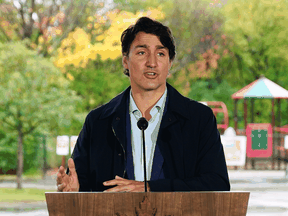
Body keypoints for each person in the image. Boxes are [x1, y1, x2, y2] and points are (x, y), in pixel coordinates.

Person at [56, 16, 230, 192]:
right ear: (125, 60)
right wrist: (75, 190)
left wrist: (150, 188)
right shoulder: (98, 121)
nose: (152, 63)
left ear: (170, 63)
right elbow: (80, 184)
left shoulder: (199, 118)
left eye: (161, 54)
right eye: (142, 53)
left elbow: (217, 184)